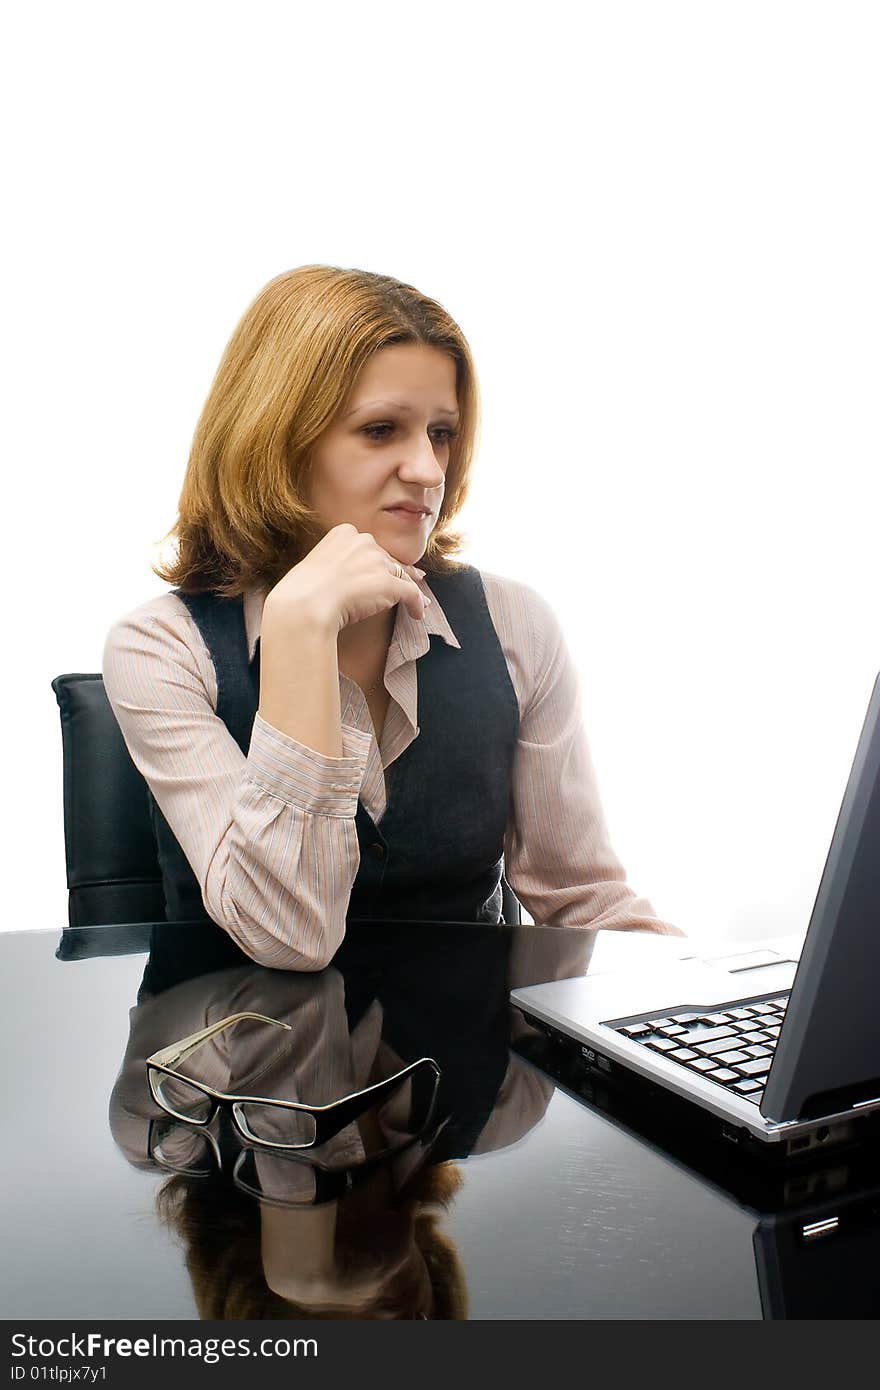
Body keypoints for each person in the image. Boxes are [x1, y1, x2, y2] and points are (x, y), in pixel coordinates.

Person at [103, 264, 680, 970]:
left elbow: (583, 901)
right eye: (381, 430)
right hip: (246, 1067)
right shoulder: (160, 649)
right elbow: (291, 933)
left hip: (462, 1073)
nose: (429, 470)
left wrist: (723, 1002)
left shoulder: (515, 626)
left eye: (441, 433)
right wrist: (300, 633)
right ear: (275, 441)